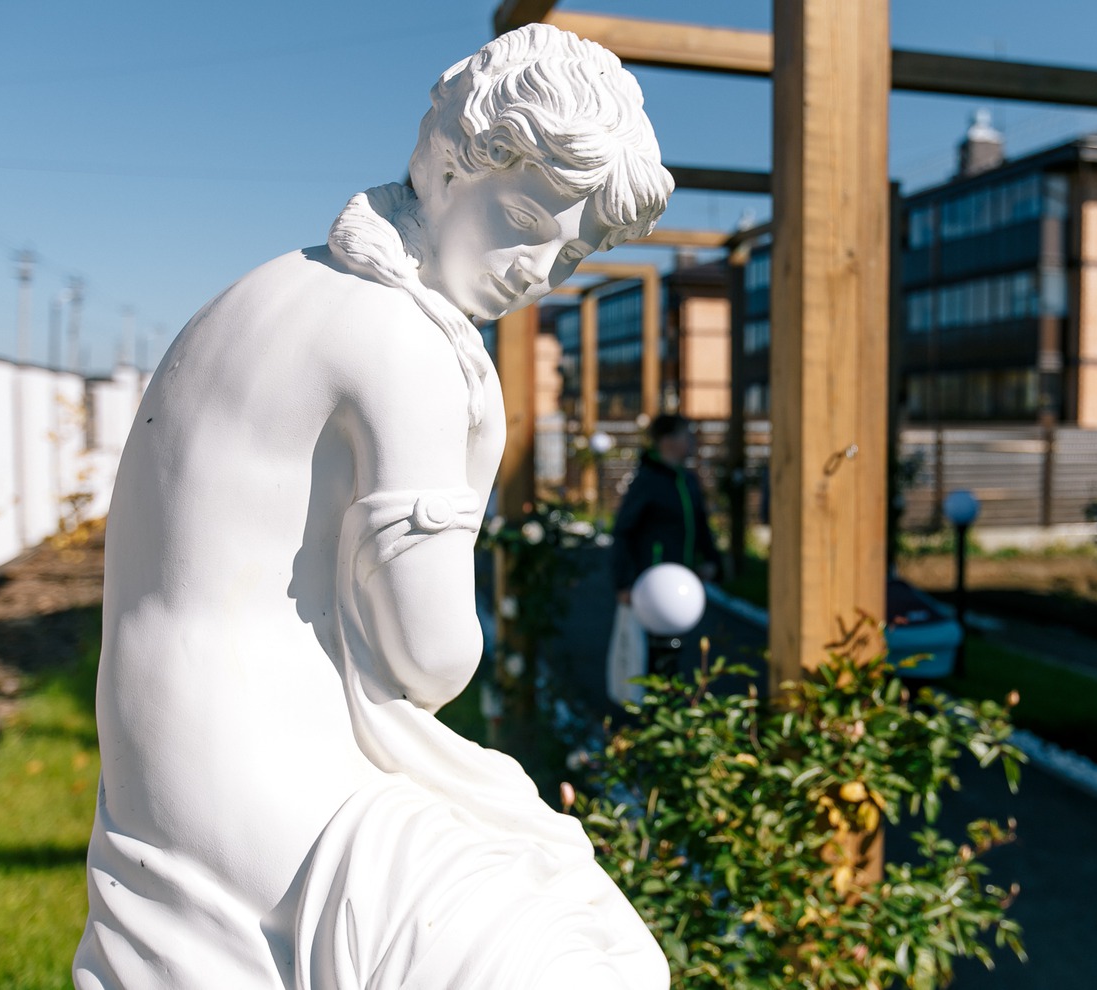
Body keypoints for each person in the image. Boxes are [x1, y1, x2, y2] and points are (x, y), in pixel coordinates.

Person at [75, 24, 671, 990]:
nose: (538, 270)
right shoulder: (406, 345)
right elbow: (431, 659)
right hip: (264, 773)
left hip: (159, 752)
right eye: (528, 217)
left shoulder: (269, 289)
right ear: (450, 165)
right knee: (587, 955)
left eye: (573, 256)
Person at [610, 414, 722, 678]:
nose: (691, 441)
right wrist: (623, 582)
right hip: (652, 584)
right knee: (651, 654)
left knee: (673, 651)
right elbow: (623, 532)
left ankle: (669, 697)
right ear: (667, 441)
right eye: (686, 435)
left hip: (681, 583)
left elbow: (700, 524)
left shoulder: (686, 480)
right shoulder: (648, 481)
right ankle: (651, 700)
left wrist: (711, 560)